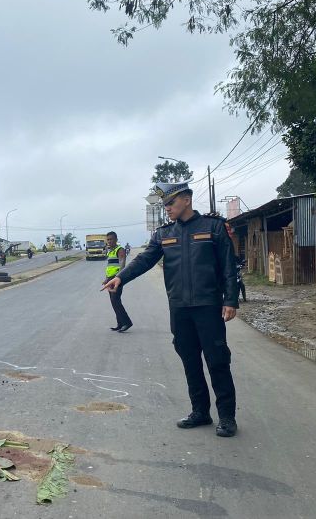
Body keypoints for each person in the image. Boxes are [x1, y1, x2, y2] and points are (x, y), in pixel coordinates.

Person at [102, 182, 240, 437]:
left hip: (208, 306)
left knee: (217, 360)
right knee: (189, 360)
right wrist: (121, 277)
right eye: (165, 204)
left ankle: (227, 416)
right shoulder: (164, 233)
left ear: (186, 199)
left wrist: (230, 300)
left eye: (171, 203)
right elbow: (145, 259)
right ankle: (200, 411)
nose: (167, 209)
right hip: (179, 308)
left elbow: (228, 266)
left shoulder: (213, 227)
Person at [103, 231, 133, 332]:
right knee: (114, 302)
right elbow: (110, 267)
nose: (109, 241)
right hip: (110, 280)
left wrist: (118, 278)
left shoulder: (120, 250)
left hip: (116, 279)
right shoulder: (110, 251)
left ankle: (127, 323)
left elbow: (122, 265)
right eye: (108, 239)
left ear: (116, 239)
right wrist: (106, 279)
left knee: (116, 301)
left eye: (111, 239)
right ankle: (120, 323)